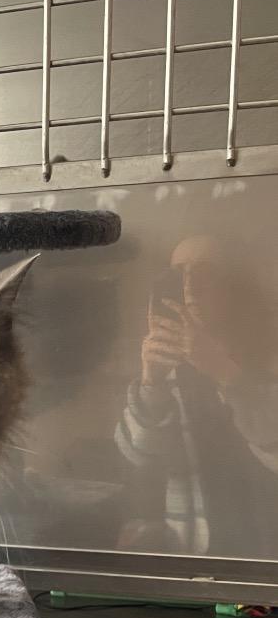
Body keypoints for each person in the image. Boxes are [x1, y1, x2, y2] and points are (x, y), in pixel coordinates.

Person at [116, 235, 278, 557]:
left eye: (204, 272)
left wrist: (224, 371)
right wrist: (151, 384)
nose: (189, 285)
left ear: (234, 287)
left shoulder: (271, 355)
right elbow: (138, 456)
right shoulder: (169, 365)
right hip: (195, 555)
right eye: (179, 273)